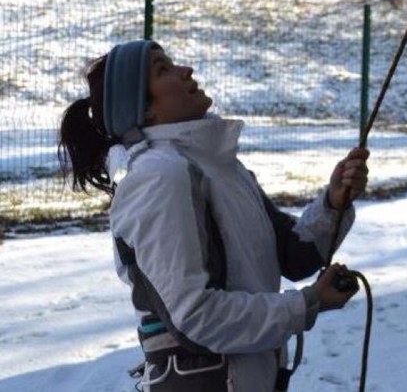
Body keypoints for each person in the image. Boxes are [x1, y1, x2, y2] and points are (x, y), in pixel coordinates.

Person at [58, 40, 369, 392]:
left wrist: (333, 203)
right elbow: (196, 316)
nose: (185, 71)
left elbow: (294, 256)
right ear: (143, 111)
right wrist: (307, 304)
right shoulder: (160, 176)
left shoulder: (220, 168)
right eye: (164, 70)